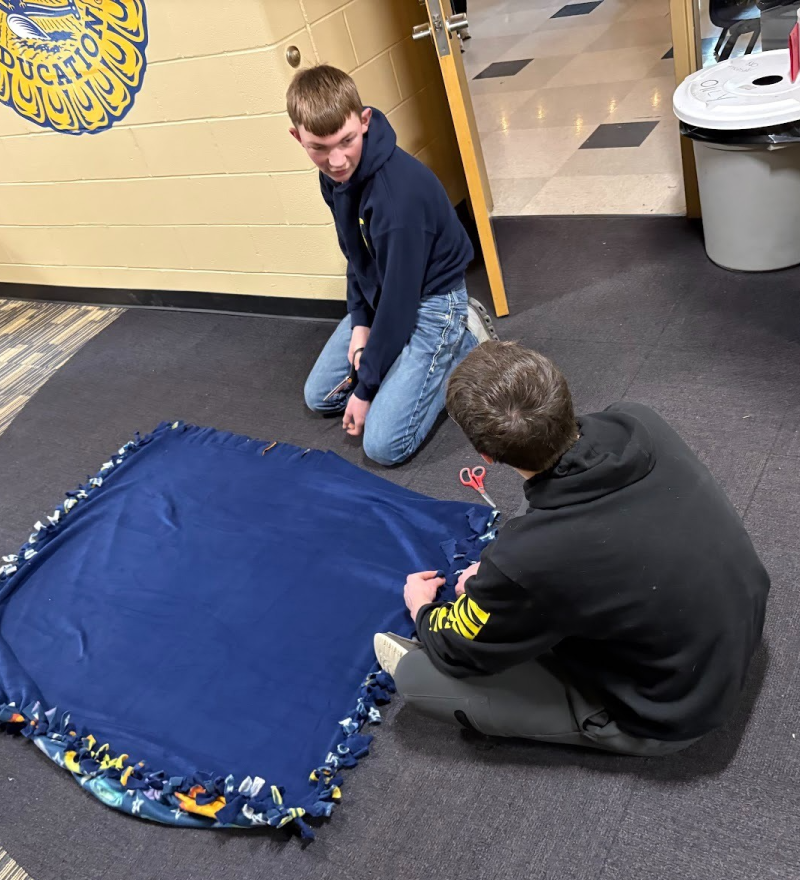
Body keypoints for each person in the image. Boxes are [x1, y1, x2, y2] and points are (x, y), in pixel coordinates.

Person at [374, 342, 770, 756]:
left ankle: (605, 724)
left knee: (418, 676)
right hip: (736, 625)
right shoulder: (638, 420)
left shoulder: (529, 556)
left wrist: (423, 608)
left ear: (485, 457)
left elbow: (459, 648)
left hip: (676, 709)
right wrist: (506, 582)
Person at [287, 65, 497, 467]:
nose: (336, 160)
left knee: (384, 445)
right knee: (321, 398)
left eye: (346, 141)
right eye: (319, 147)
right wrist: (360, 326)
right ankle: (402, 364)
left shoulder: (395, 197)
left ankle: (462, 341)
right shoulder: (334, 176)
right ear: (298, 137)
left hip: (433, 300)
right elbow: (357, 258)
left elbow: (401, 304)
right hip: (385, 293)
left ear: (364, 121)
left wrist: (367, 389)